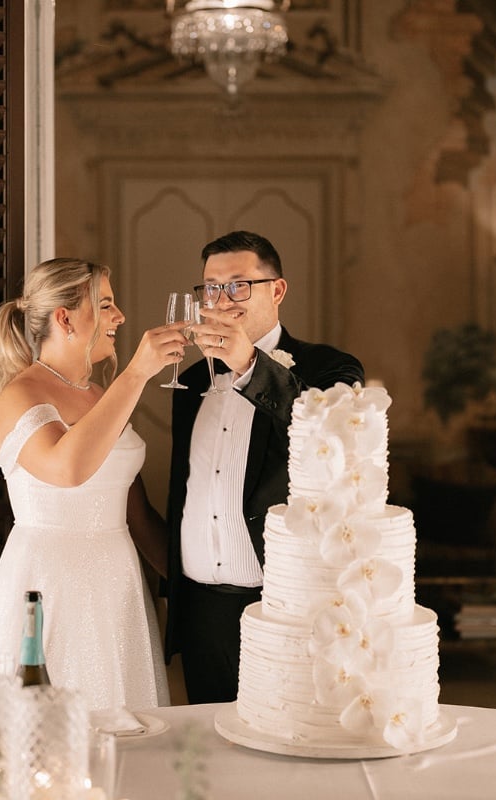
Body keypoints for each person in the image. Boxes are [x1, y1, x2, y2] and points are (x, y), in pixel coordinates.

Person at [0, 257, 187, 712]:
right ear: (65, 318)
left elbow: (135, 512)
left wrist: (193, 590)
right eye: (106, 305)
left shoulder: (98, 394)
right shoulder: (21, 394)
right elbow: (68, 471)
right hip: (52, 583)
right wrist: (136, 374)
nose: (120, 317)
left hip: (118, 583)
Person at [164, 231, 365, 703]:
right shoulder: (192, 381)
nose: (221, 300)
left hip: (284, 606)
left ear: (277, 290)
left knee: (286, 745)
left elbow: (329, 435)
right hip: (201, 613)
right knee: (211, 752)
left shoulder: (330, 367)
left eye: (238, 285)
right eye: (210, 288)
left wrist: (249, 364)